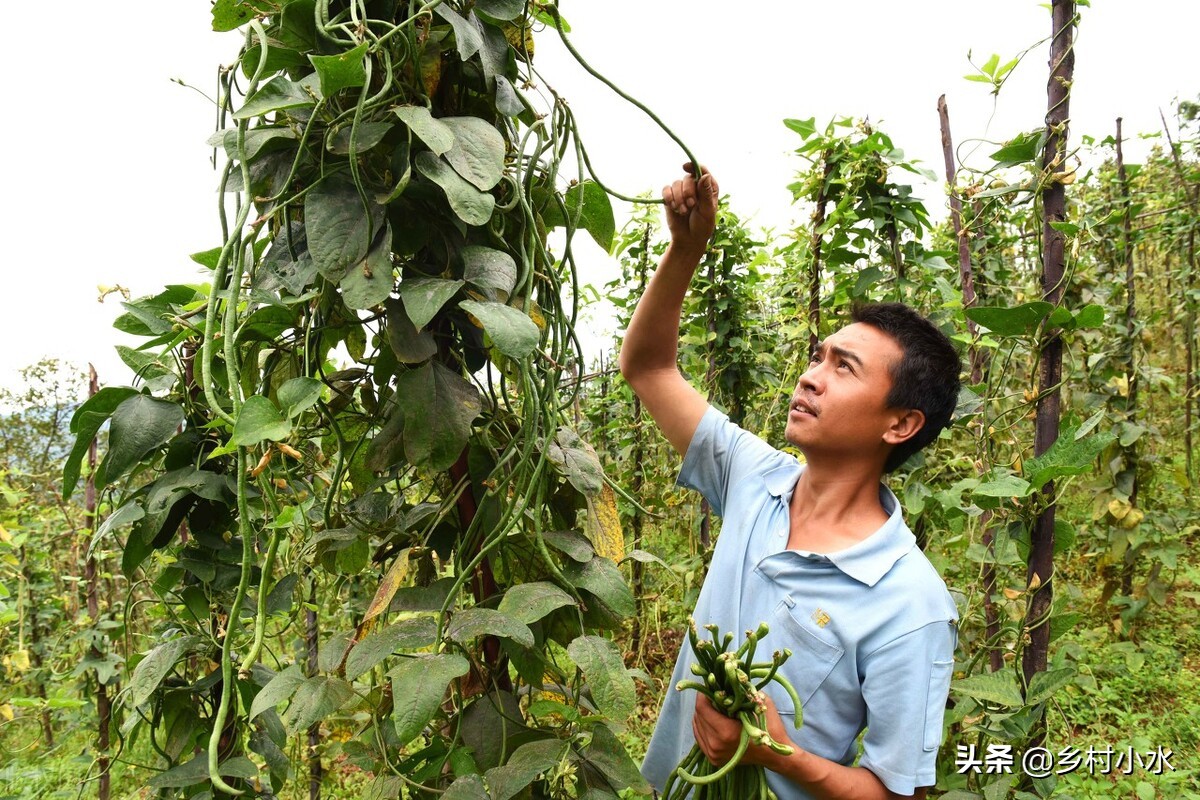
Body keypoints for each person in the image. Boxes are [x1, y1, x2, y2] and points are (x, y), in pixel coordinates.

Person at [622, 165, 962, 800]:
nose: (810, 377)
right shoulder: (755, 477)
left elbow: (896, 792)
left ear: (901, 423)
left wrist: (776, 754)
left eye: (843, 367)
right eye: (817, 357)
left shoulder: (910, 603)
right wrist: (685, 249)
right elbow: (647, 366)